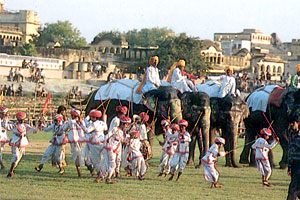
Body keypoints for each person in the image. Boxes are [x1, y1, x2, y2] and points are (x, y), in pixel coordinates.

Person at [101, 115, 131, 184]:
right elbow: (109, 134)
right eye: (126, 125)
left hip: (111, 148)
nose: (126, 126)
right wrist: (106, 139)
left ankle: (103, 176)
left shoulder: (121, 132)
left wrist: (128, 139)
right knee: (111, 164)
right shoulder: (115, 129)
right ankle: (108, 177)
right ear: (123, 124)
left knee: (108, 163)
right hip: (111, 148)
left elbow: (122, 140)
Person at [7, 112, 37, 178]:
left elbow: (34, 131)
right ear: (17, 119)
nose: (22, 121)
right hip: (15, 142)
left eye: (23, 119)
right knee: (16, 156)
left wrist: (38, 124)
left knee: (19, 157)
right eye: (20, 119)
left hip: (23, 142)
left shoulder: (26, 126)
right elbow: (7, 126)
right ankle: (10, 171)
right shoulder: (14, 125)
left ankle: (12, 169)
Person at [80, 109, 108, 182]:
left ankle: (100, 175)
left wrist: (81, 124)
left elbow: (86, 130)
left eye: (92, 117)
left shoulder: (94, 124)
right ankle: (104, 173)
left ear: (94, 117)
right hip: (102, 142)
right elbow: (106, 128)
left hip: (95, 145)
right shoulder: (102, 123)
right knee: (102, 159)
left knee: (95, 161)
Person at [62, 109, 85, 177]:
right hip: (81, 140)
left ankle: (79, 172)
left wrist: (65, 122)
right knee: (80, 154)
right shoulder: (82, 122)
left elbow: (64, 129)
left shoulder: (70, 122)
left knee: (76, 156)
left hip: (74, 141)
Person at [109, 105, 128, 178]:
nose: (123, 115)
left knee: (119, 158)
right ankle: (113, 172)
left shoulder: (119, 120)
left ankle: (117, 171)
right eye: (122, 114)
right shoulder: (116, 120)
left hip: (118, 141)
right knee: (113, 158)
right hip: (113, 140)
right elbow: (115, 130)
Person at [287, 115, 300, 199]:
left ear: (298, 123)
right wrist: (289, 166)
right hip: (294, 164)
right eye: (290, 123)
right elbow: (290, 151)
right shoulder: (290, 134)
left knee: (293, 189)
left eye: (293, 123)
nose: (291, 125)